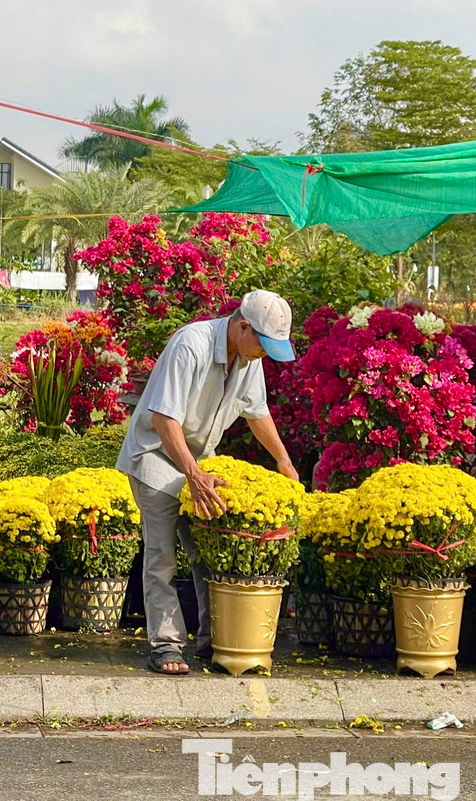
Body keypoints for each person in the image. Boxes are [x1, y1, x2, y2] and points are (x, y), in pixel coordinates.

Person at [116, 289, 301, 675]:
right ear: (242, 326)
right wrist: (192, 473)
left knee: (207, 551)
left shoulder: (249, 358)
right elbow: (165, 419)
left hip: (198, 461)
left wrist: (283, 460)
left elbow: (257, 412)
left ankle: (214, 640)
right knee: (162, 555)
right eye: (264, 344)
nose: (266, 354)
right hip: (155, 456)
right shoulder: (192, 344)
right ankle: (166, 646)